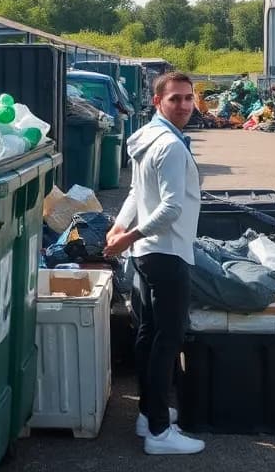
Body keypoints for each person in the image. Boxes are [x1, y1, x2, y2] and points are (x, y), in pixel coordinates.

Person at [104, 71, 204, 455]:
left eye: (188, 98)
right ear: (158, 102)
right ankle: (160, 434)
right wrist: (125, 235)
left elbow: (135, 192)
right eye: (175, 99)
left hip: (147, 255)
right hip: (166, 252)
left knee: (149, 337)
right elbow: (170, 208)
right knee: (167, 341)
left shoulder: (148, 137)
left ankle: (148, 414)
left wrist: (120, 227)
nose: (183, 105)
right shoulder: (171, 146)